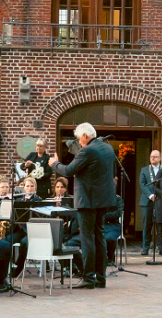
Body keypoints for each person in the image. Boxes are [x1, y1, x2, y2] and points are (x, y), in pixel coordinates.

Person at [49, 122, 117, 289]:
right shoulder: (108, 148)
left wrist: (54, 164)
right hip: (103, 199)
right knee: (99, 237)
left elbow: (68, 170)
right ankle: (101, 278)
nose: (79, 142)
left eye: (80, 139)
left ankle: (89, 278)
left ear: (85, 136)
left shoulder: (87, 150)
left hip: (87, 200)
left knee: (87, 239)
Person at [138, 150, 162, 255]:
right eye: (151, 156)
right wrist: (151, 195)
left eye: (155, 156)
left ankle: (161, 247)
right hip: (147, 201)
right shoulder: (144, 170)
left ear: (160, 158)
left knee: (160, 225)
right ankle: (145, 248)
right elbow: (142, 184)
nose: (153, 158)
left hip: (160, 200)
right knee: (147, 225)